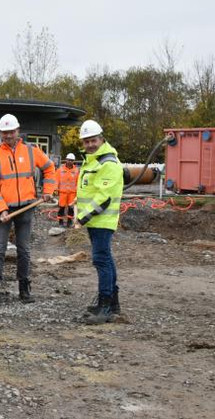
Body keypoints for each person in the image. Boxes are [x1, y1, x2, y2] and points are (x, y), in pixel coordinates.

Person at [0, 113, 56, 306]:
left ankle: (24, 289)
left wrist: (48, 190)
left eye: (11, 132)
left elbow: (49, 168)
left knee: (24, 249)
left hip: (26, 207)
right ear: (0, 132)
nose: (8, 136)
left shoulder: (31, 151)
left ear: (18, 131)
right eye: (5, 132)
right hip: (3, 210)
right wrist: (2, 208)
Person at [75, 119, 124, 325]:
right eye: (86, 142)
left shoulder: (108, 163)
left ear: (101, 138)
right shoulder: (93, 160)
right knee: (106, 259)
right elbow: (90, 189)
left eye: (93, 140)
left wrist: (82, 217)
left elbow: (104, 197)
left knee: (101, 260)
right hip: (96, 221)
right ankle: (112, 303)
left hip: (102, 220)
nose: (89, 145)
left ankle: (105, 305)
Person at [56, 153, 79, 227]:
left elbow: (78, 182)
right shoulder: (60, 170)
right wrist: (55, 190)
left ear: (73, 161)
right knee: (61, 207)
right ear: (66, 160)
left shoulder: (76, 171)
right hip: (63, 192)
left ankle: (69, 222)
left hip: (72, 193)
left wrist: (78, 192)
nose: (70, 161)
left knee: (71, 208)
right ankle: (60, 222)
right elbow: (56, 180)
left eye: (71, 160)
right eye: (68, 160)